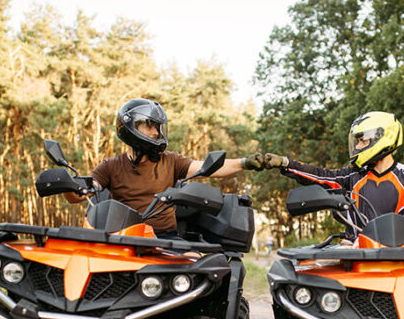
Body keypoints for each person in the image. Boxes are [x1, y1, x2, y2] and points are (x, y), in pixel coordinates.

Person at [65, 98, 263, 237]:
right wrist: (67, 186)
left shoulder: (171, 161)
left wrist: (246, 163)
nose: (155, 132)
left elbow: (208, 167)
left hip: (165, 238)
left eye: (158, 127)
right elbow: (81, 195)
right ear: (131, 127)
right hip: (123, 237)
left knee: (197, 271)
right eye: (149, 126)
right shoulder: (110, 166)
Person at [262, 111, 404, 238]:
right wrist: (286, 163)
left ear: (382, 137)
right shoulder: (352, 176)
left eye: (362, 141)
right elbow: (321, 175)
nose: (357, 146)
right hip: (356, 254)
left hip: (402, 253)